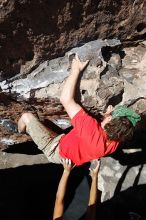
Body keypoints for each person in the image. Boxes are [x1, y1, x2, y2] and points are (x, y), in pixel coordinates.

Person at [17, 55, 141, 166]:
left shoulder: (91, 129)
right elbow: (114, 128)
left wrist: (75, 70)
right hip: (72, 156)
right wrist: (108, 116)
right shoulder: (115, 142)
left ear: (109, 119)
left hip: (54, 149)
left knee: (26, 117)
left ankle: (19, 130)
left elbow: (65, 99)